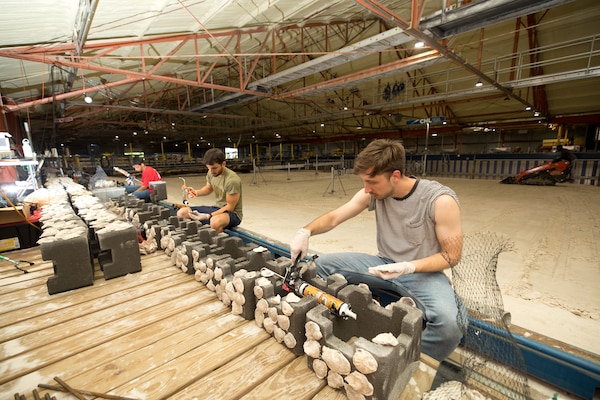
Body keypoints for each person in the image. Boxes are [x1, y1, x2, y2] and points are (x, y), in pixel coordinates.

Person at [290, 139, 465, 361]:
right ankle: (337, 321)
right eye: (364, 182)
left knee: (450, 324)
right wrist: (305, 232)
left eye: (371, 182)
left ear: (395, 175)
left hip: (421, 273)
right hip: (382, 264)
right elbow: (335, 217)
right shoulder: (373, 193)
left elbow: (452, 256)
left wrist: (409, 266)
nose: (366, 189)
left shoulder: (439, 200)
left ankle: (407, 364)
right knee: (322, 266)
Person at [177, 148, 243, 234]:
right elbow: (208, 188)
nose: (211, 171)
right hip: (217, 208)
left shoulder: (232, 180)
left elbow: (230, 207)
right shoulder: (211, 173)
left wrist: (208, 215)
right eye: (209, 168)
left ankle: (217, 244)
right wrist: (196, 192)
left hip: (232, 214)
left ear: (223, 164)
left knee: (214, 222)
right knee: (182, 213)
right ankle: (196, 238)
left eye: (214, 168)